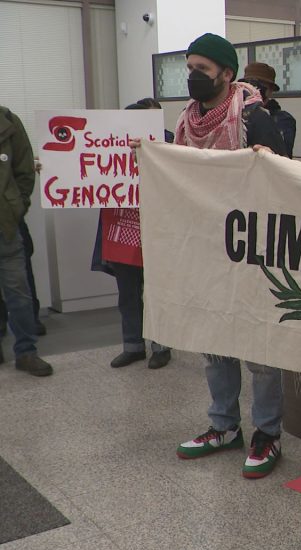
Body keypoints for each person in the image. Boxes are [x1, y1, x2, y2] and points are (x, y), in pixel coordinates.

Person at [167, 33, 286, 479]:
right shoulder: (185, 120)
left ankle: (268, 434)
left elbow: (286, 177)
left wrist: (269, 158)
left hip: (252, 250)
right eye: (190, 67)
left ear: (227, 73)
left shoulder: (254, 117)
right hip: (206, 249)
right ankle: (224, 427)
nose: (193, 76)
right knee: (215, 343)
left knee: (259, 348)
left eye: (202, 68)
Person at [93, 98, 173, 370]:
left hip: (157, 226)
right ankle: (133, 346)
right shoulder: (111, 141)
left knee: (157, 290)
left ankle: (161, 345)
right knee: (127, 291)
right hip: (122, 223)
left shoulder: (171, 143)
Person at [0, 105, 53, 376]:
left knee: (19, 293)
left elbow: (24, 169)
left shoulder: (7, 121)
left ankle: (26, 352)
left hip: (6, 225)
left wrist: (16, 206)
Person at [240, 62, 297, 159]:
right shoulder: (234, 114)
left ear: (270, 91)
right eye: (248, 85)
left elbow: (282, 153)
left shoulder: (283, 118)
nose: (253, 90)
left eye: (258, 85)